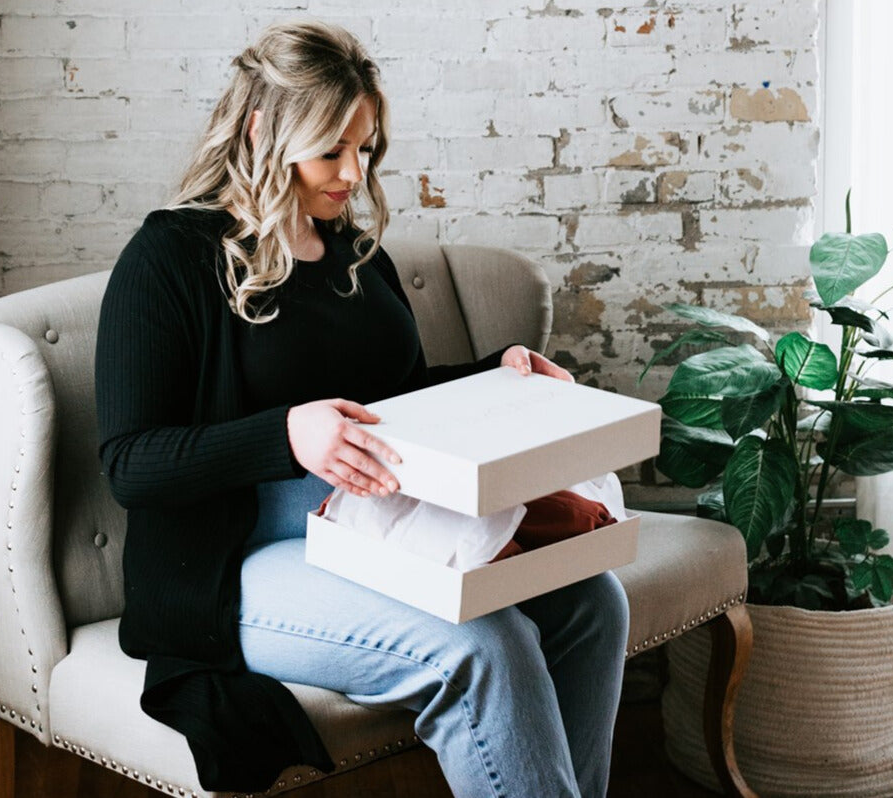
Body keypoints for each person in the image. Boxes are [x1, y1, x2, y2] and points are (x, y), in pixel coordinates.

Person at [95, 20, 629, 798]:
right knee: (482, 642)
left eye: (365, 150)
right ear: (262, 132)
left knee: (592, 601)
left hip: (380, 521)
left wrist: (500, 372)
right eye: (331, 151)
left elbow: (396, 395)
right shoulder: (169, 258)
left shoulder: (345, 248)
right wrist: (286, 435)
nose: (352, 173)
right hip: (236, 561)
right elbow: (130, 463)